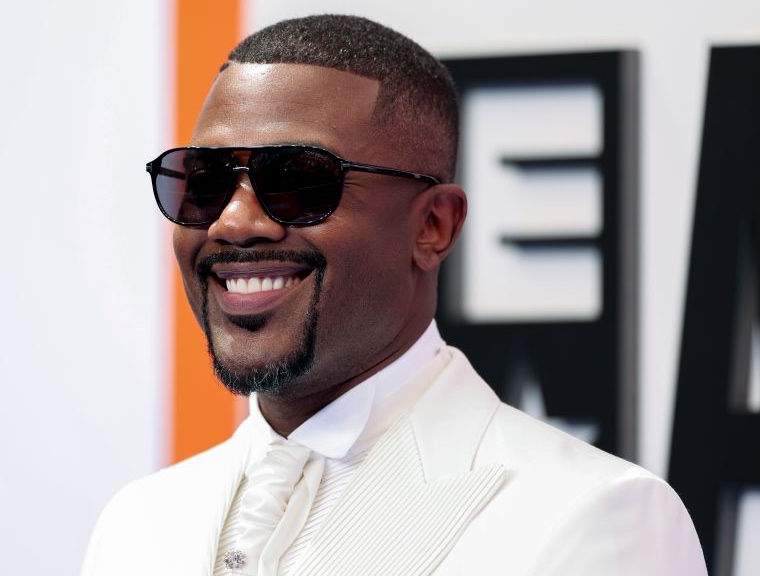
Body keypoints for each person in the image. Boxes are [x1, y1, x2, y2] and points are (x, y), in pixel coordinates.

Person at [82, 14, 706, 576]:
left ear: (434, 225)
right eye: (204, 183)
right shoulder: (138, 525)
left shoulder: (593, 518)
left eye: (299, 182)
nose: (234, 222)